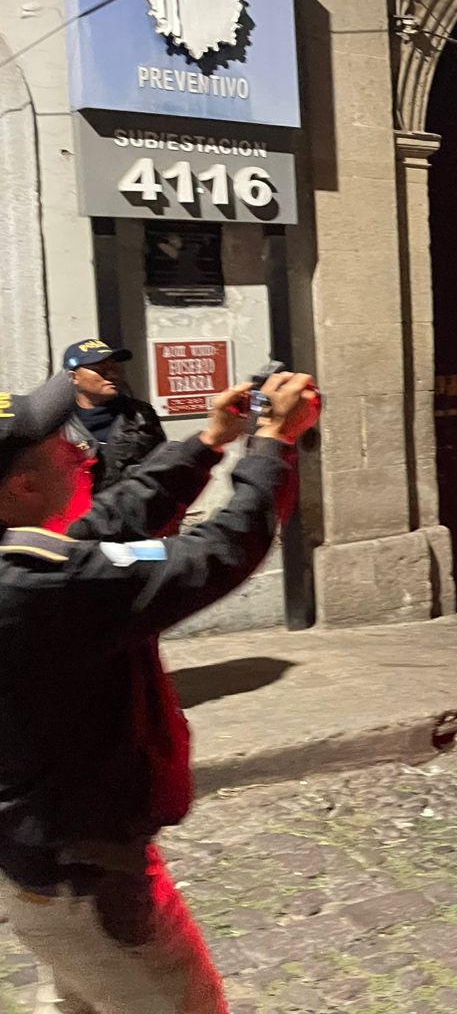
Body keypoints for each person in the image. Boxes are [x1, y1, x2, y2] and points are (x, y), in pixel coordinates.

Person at [0, 368, 321, 1012]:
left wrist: (208, 441)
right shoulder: (39, 587)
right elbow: (219, 552)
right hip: (85, 880)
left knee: (83, 1000)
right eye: (61, 442)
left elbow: (113, 529)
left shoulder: (23, 562)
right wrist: (272, 443)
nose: (81, 449)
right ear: (23, 486)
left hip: (43, 868)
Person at [63, 338, 166, 494]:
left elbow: (161, 466)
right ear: (74, 377)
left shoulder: (140, 414)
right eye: (100, 369)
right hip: (77, 515)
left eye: (114, 368)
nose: (112, 375)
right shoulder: (56, 421)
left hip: (128, 512)